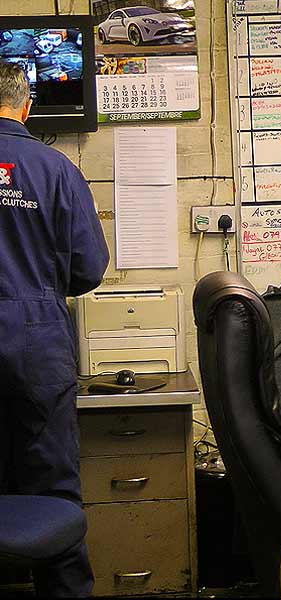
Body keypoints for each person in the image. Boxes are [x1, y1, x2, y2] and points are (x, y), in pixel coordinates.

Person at [0, 62, 109, 596]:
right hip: (37, 342)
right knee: (55, 495)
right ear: (25, 107)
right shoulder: (56, 169)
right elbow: (88, 269)